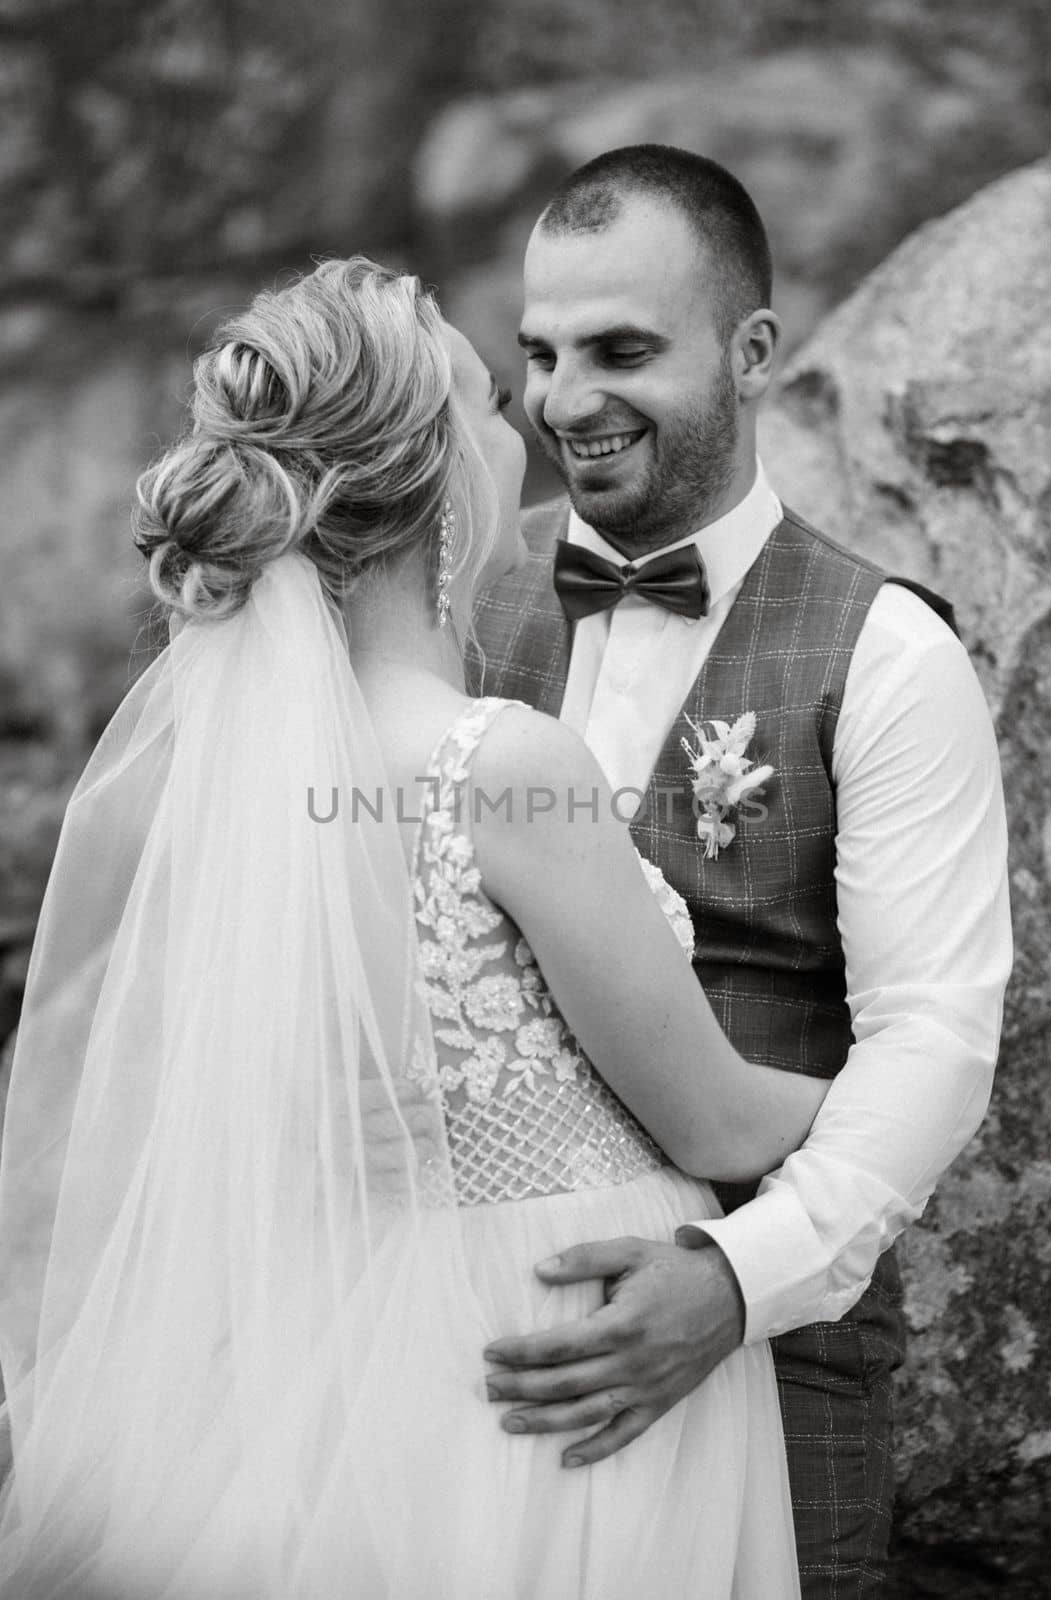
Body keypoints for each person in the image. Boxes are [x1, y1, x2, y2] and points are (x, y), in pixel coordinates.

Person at [0, 255, 838, 1598]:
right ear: (444, 476)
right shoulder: (503, 764)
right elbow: (723, 1123)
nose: (533, 431)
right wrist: (927, 1082)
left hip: (350, 1345)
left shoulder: (220, 786)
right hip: (560, 1350)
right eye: (498, 402)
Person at [473, 145, 1012, 1597]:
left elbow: (939, 1041)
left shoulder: (889, 657)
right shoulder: (458, 605)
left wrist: (729, 1284)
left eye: (623, 350)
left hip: (775, 1366)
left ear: (754, 351)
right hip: (475, 1354)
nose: (565, 399)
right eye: (540, 352)